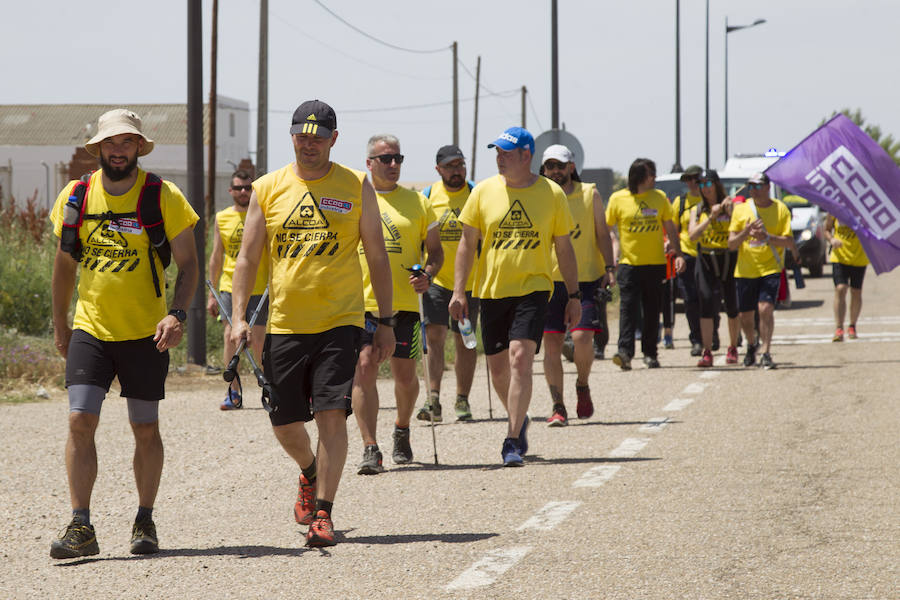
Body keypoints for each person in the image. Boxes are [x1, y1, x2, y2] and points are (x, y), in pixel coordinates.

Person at [230, 100, 395, 547]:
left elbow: (377, 255)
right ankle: (308, 471)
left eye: (318, 137)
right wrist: (240, 316)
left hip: (340, 320)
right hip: (285, 323)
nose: (309, 144)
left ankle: (323, 513)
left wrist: (385, 320)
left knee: (330, 416)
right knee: (284, 423)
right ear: (292, 137)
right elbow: (247, 257)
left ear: (333, 140)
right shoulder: (268, 187)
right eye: (302, 136)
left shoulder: (356, 184)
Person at [49, 108, 199, 558]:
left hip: (145, 333)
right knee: (79, 420)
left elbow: (189, 265)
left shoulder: (162, 196)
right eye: (110, 144)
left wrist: (177, 315)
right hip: (91, 328)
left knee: (145, 427)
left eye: (127, 143)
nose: (118, 150)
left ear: (139, 147)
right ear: (98, 149)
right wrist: (62, 325)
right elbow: (63, 267)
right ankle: (81, 526)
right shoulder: (76, 195)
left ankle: (144, 519)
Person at [450, 126, 580, 467]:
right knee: (497, 370)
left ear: (527, 156)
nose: (499, 158)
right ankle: (518, 417)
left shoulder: (552, 194)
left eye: (506, 153)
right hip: (492, 291)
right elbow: (466, 244)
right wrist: (458, 290)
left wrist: (574, 295)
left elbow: (564, 248)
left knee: (520, 358)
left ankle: (510, 440)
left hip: (534, 289)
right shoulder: (482, 192)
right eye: (497, 152)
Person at [353, 134, 442, 474]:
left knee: (404, 377)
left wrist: (429, 274)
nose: (393, 165)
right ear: (369, 163)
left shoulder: (418, 202)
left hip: (404, 302)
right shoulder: (356, 198)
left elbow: (435, 252)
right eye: (385, 159)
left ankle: (402, 427)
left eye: (398, 159)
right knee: (363, 367)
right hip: (360, 301)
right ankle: (369, 447)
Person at [539, 144, 615, 426]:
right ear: (543, 169)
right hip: (548, 281)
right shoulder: (539, 197)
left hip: (585, 279)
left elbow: (602, 234)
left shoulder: (589, 194)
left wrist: (610, 267)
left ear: (572, 167)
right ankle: (558, 405)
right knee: (552, 345)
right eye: (550, 166)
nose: (556, 171)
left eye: (561, 166)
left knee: (583, 338)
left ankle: (582, 384)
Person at [418, 144, 479, 422]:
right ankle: (433, 399)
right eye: (450, 166)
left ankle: (462, 399)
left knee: (465, 339)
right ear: (438, 169)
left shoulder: (476, 193)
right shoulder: (428, 197)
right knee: (434, 337)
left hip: (469, 281)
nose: (456, 171)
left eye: (460, 165)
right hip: (438, 279)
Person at [606, 158, 685, 370]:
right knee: (627, 310)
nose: (655, 178)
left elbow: (670, 227)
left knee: (652, 311)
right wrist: (609, 256)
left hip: (655, 264)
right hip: (629, 265)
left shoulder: (659, 198)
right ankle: (625, 353)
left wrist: (677, 253)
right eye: (652, 174)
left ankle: (650, 353)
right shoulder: (618, 198)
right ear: (640, 176)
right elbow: (606, 229)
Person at [207, 169, 269, 410]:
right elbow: (216, 256)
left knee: (259, 341)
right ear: (231, 191)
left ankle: (267, 389)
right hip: (228, 286)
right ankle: (233, 392)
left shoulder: (261, 215)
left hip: (258, 285)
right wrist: (211, 294)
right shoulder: (222, 218)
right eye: (239, 188)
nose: (244, 192)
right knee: (229, 338)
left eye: (248, 187)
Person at [728, 172, 798, 370]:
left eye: (758, 186)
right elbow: (731, 244)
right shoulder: (740, 210)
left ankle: (766, 351)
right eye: (751, 186)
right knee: (745, 316)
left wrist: (767, 237)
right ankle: (752, 345)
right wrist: (746, 232)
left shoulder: (780, 209)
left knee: (765, 309)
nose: (754, 190)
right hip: (745, 270)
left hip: (770, 268)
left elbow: (789, 241)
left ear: (768, 187)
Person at [687, 169, 740, 367]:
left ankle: (733, 346)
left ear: (716, 185)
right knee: (706, 302)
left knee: (732, 305)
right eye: (701, 185)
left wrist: (728, 211)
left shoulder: (731, 206)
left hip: (728, 258)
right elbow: (692, 236)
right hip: (707, 259)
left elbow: (741, 226)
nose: (705, 189)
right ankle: (707, 350)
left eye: (708, 184)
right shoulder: (698, 209)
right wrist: (711, 217)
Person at [671, 165, 705, 354]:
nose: (691, 183)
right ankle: (697, 339)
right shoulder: (681, 202)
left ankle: (711, 334)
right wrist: (678, 254)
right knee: (690, 299)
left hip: (707, 255)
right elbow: (673, 230)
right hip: (687, 255)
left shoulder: (709, 200)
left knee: (709, 297)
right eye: (688, 180)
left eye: (695, 179)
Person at [824, 214, 869, 341]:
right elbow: (827, 230)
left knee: (856, 291)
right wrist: (832, 240)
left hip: (859, 257)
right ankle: (839, 327)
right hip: (839, 256)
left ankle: (852, 325)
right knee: (841, 288)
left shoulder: (861, 208)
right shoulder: (834, 208)